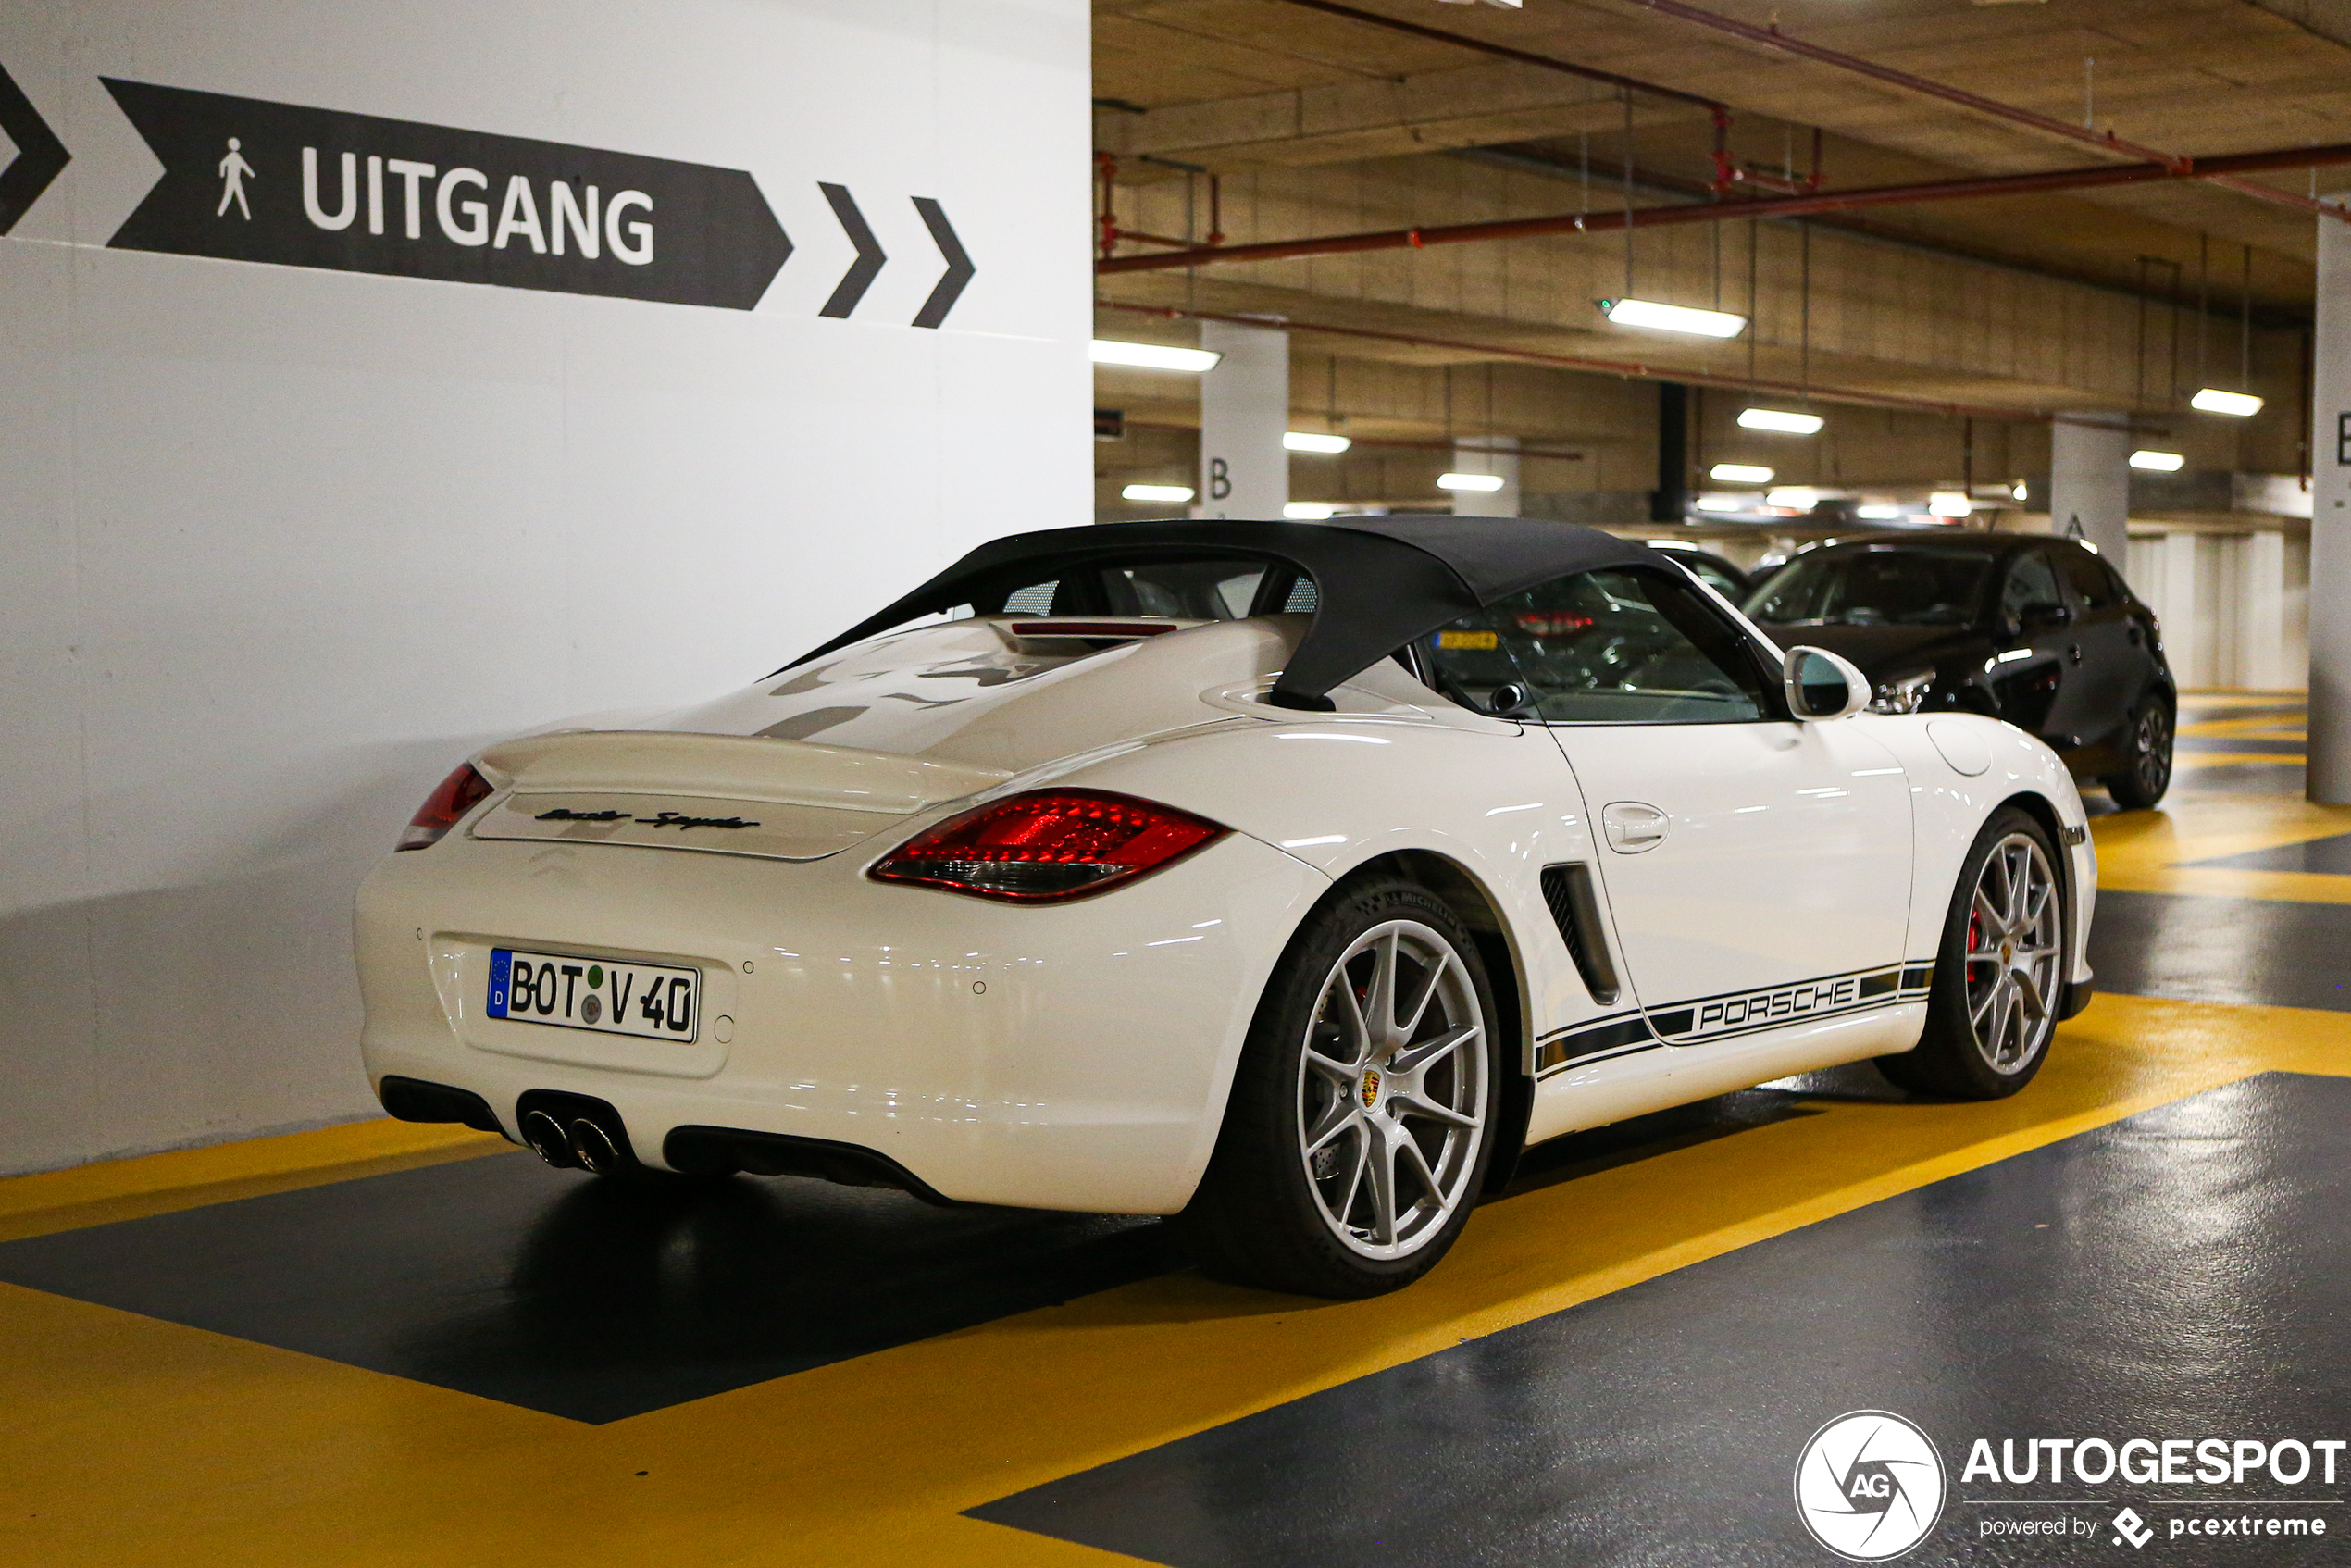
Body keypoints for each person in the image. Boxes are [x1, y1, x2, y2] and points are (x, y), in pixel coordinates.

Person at [217, 137, 255, 219]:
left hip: (235, 180)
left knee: (235, 196)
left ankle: (247, 216)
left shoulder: (235, 156)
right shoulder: (233, 156)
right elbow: (223, 163)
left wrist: (251, 174)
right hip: (232, 180)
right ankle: (220, 213)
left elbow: (244, 166)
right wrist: (222, 174)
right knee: (233, 196)